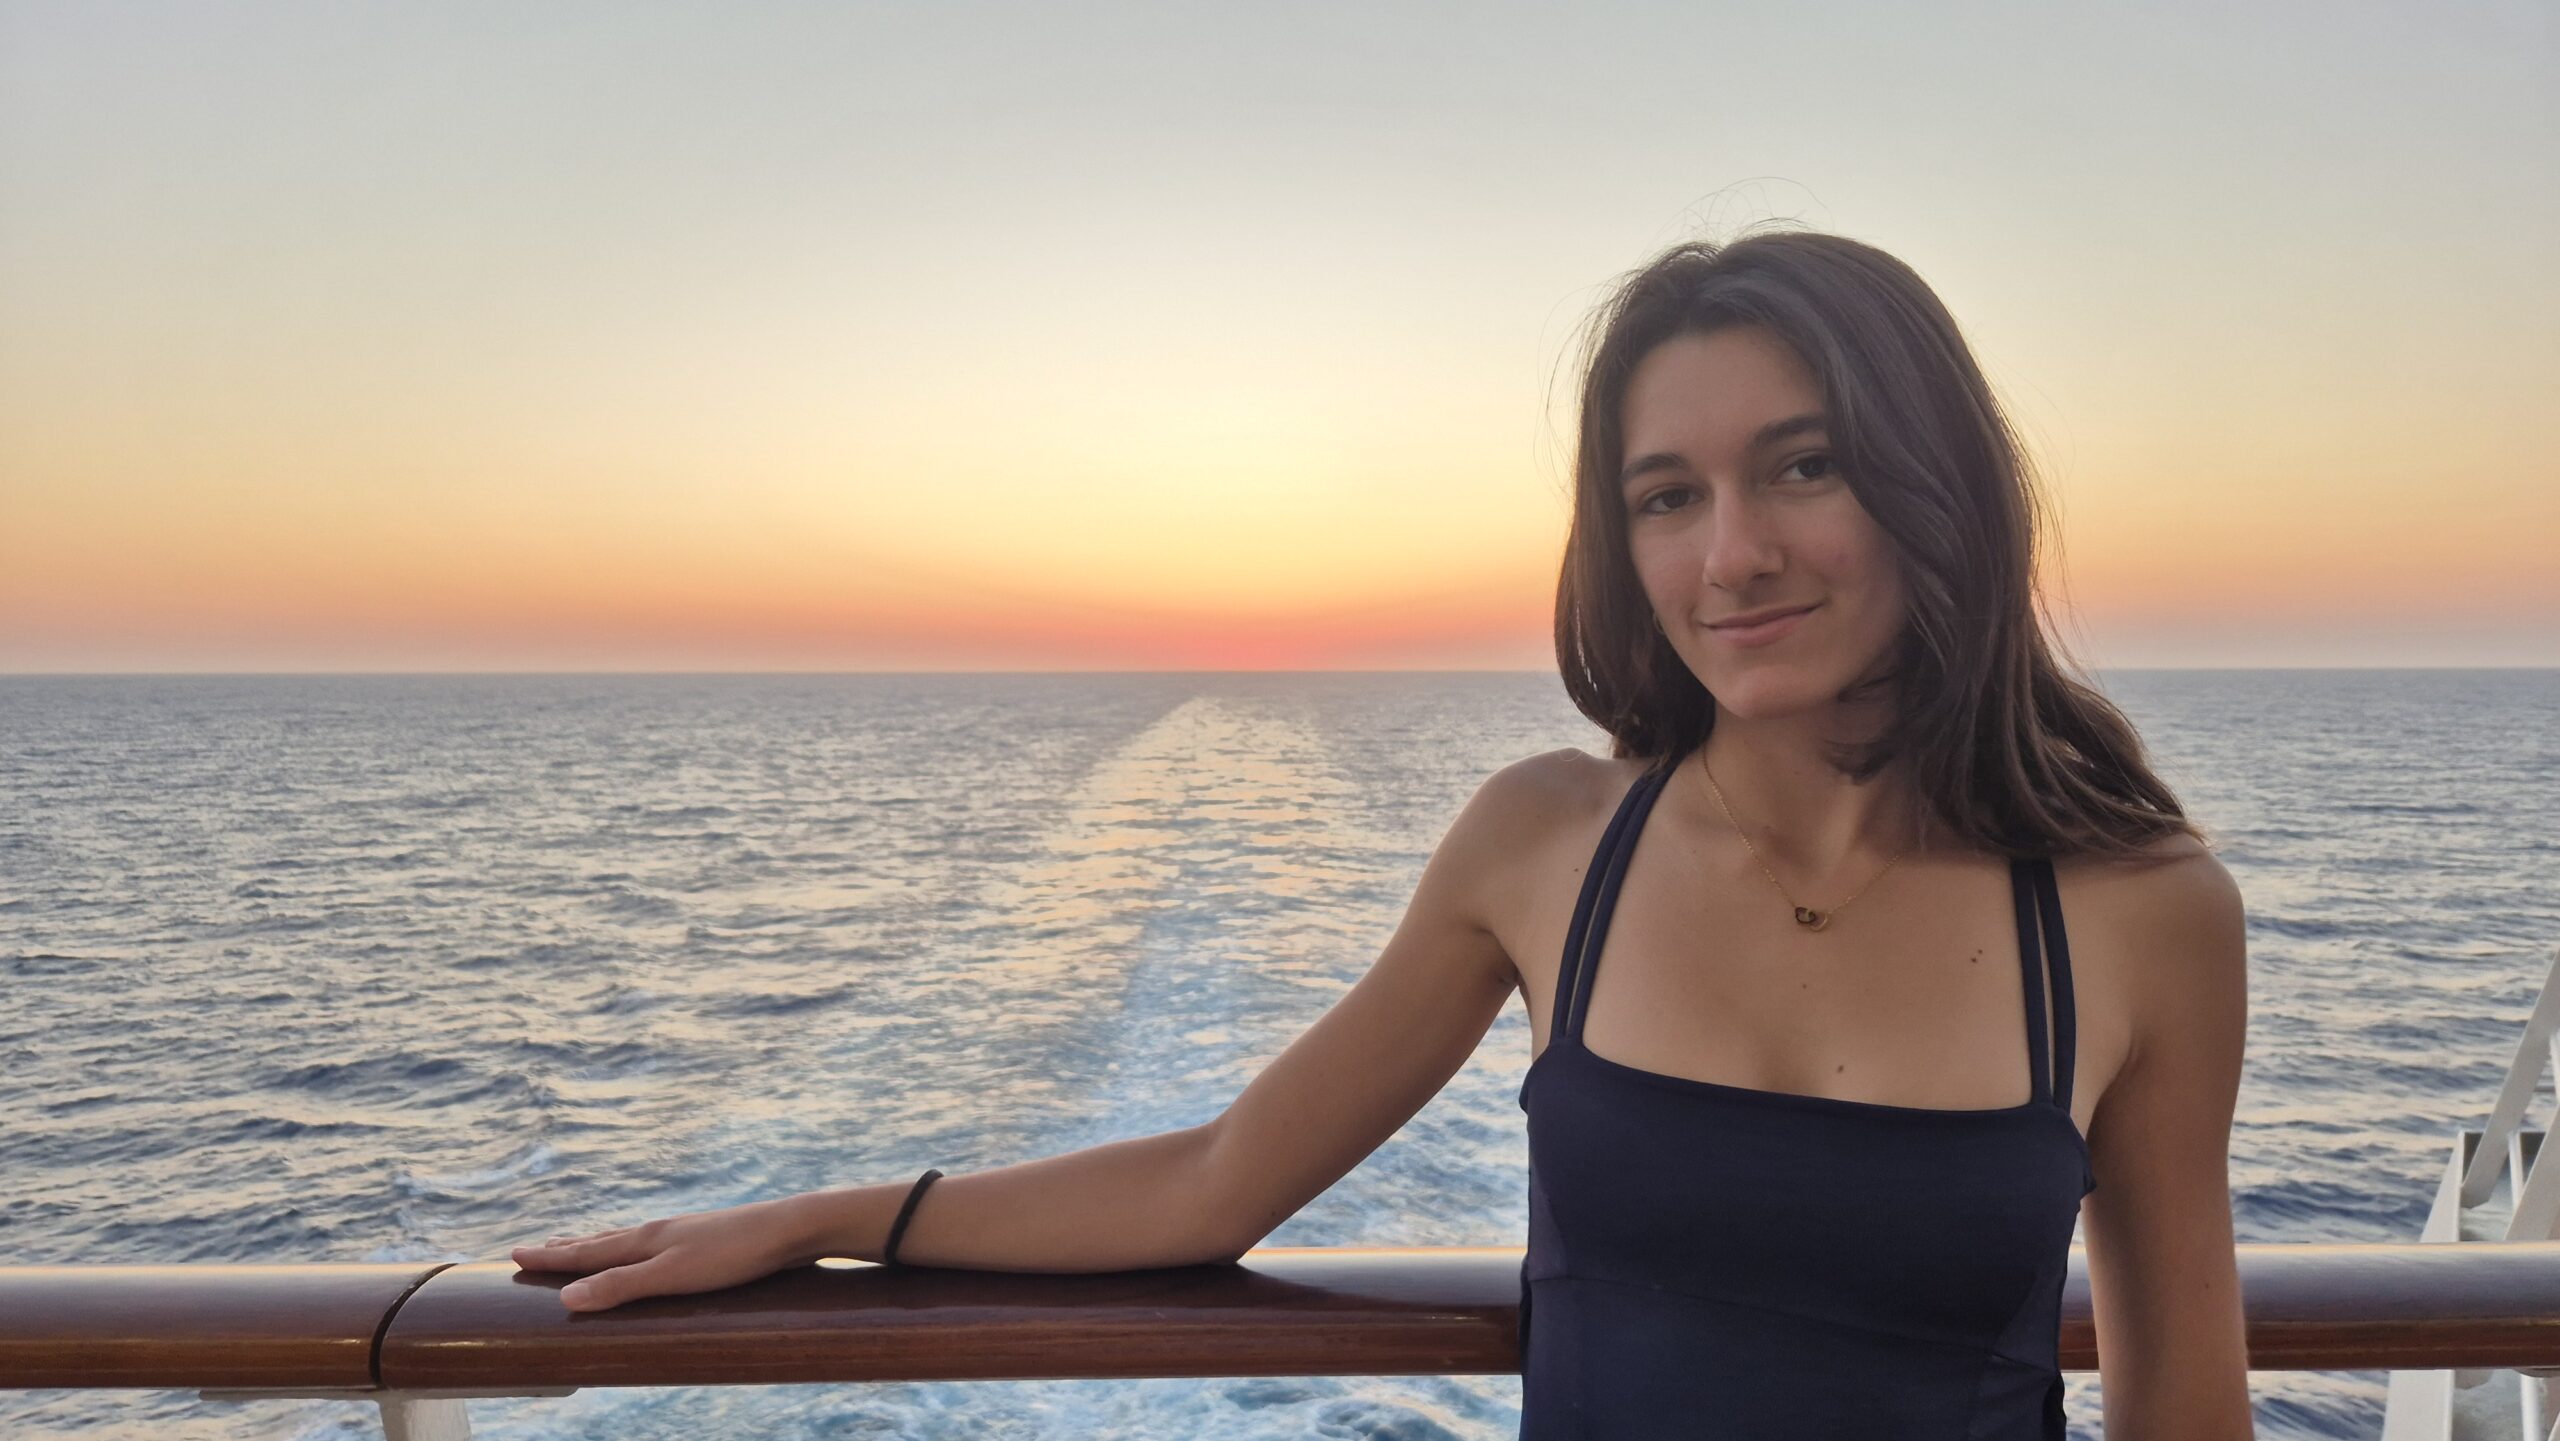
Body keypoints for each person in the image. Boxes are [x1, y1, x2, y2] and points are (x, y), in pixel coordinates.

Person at [511, 226, 2255, 1438]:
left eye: (1804, 466)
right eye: (1668, 495)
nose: (1734, 552)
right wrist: (818, 1218)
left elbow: (2182, 1394)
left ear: (1937, 482)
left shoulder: (2134, 912)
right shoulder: (1546, 846)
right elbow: (1218, 1175)